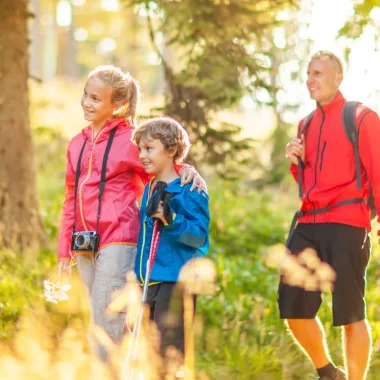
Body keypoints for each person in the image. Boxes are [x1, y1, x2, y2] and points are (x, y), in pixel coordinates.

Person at [56, 65, 206, 361]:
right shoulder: (77, 143)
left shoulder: (130, 140)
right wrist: (64, 250)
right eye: (86, 95)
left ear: (117, 104)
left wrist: (186, 168)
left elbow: (161, 167)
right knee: (98, 317)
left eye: (97, 99)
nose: (87, 103)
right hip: (84, 243)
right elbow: (70, 198)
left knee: (108, 318)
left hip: (119, 238)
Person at [280, 50, 380, 380]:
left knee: (350, 314)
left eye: (319, 73)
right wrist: (296, 162)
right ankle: (327, 372)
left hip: (348, 224)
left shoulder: (362, 117)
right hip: (307, 223)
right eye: (308, 73)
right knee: (292, 307)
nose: (311, 79)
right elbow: (308, 181)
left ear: (338, 78)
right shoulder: (305, 123)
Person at [132, 117, 210, 375]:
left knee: (170, 355)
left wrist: (172, 220)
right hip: (148, 280)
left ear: (171, 150)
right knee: (149, 353)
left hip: (175, 282)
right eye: (141, 149)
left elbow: (199, 237)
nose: (142, 155)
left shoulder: (190, 188)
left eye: (149, 148)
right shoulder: (151, 186)